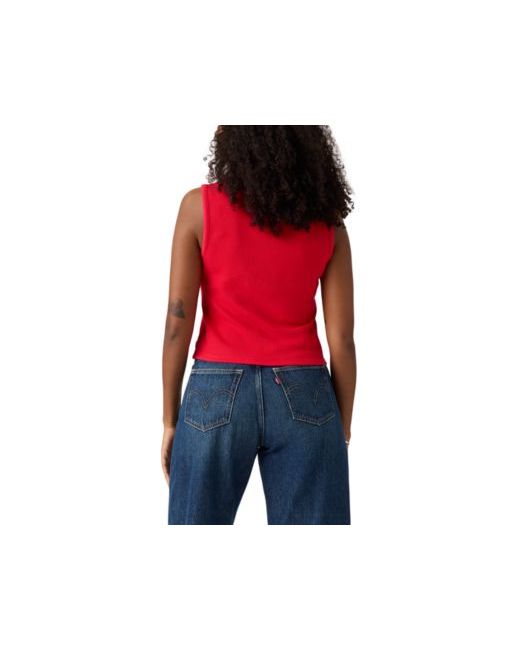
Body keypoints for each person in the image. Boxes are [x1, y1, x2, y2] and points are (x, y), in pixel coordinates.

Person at [162, 125, 356, 525]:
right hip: (306, 393)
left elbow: (177, 322)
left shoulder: (198, 208)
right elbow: (342, 340)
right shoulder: (328, 222)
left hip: (215, 392)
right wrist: (342, 425)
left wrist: (169, 420)